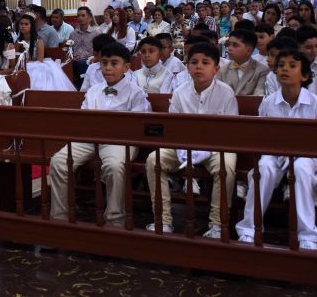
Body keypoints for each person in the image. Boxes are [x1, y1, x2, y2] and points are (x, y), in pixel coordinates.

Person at [49, 43, 150, 227]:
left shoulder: (136, 93)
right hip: (90, 138)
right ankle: (59, 218)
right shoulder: (94, 90)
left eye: (114, 63)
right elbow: (84, 117)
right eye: (104, 63)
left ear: (126, 67)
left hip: (120, 141)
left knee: (114, 166)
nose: (108, 68)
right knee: (59, 162)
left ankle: (115, 220)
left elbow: (138, 125)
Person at [236, 50, 317, 249]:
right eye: (281, 66)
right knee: (263, 168)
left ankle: (307, 236)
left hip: (307, 156)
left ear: (304, 75)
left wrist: (299, 154)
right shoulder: (269, 102)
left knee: (302, 169)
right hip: (275, 153)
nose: (285, 69)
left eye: (292, 66)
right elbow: (262, 137)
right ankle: (249, 229)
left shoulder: (315, 103)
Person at [146, 43, 238, 237]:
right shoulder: (180, 92)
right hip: (183, 146)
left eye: (205, 62)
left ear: (216, 68)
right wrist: (184, 146)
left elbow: (230, 131)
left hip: (216, 148)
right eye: (194, 62)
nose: (199, 67)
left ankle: (217, 224)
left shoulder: (226, 92)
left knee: (226, 166)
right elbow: (174, 128)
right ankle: (163, 220)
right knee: (154, 160)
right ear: (187, 66)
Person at [15, 14, 74, 91]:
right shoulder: (18, 42)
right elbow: (15, 57)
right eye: (21, 24)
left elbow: (39, 60)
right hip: (22, 65)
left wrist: (28, 61)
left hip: (35, 65)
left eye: (26, 24)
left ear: (32, 26)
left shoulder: (38, 41)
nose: (23, 26)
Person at [216, 29, 266, 95]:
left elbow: (258, 96)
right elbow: (218, 94)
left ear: (249, 50)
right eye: (229, 44)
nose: (229, 48)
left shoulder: (261, 70)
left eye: (235, 45)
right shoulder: (222, 70)